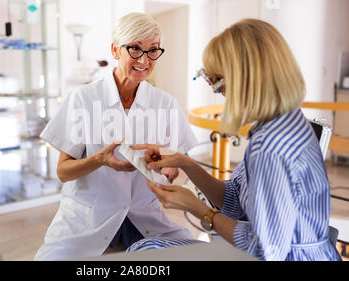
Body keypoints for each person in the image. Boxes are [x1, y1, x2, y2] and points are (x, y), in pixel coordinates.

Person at [128, 19, 342, 261]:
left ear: (248, 79)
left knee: (146, 253)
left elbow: (266, 251)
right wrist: (186, 163)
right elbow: (234, 201)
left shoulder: (271, 148)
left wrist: (199, 209)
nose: (219, 93)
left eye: (219, 82)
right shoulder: (279, 124)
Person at [34, 12, 199, 260]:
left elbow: (176, 169)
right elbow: (63, 172)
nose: (145, 59)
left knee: (199, 254)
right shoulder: (84, 99)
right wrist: (98, 160)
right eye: (135, 48)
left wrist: (168, 170)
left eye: (153, 50)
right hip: (89, 218)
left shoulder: (165, 104)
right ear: (115, 50)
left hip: (144, 216)